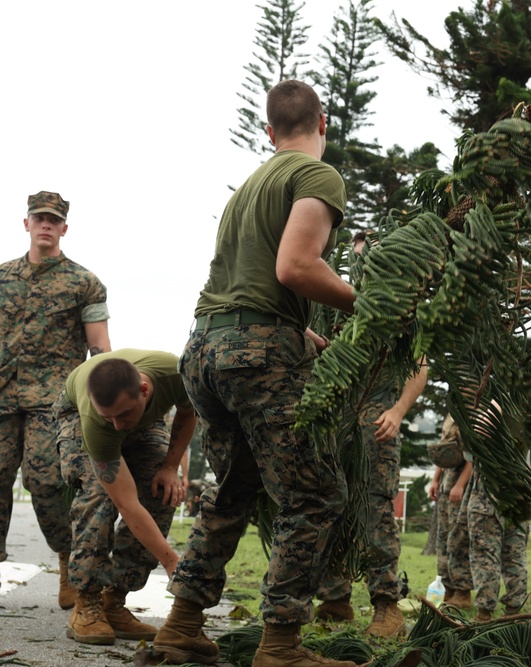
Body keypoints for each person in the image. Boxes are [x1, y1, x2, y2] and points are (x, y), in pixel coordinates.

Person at [153, 79, 359, 667]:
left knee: (235, 489)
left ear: (269, 132)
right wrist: (370, 303)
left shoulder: (250, 185)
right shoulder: (317, 175)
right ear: (323, 124)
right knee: (315, 493)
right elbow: (296, 266)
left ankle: (182, 624)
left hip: (206, 349)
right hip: (257, 354)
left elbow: (250, 282)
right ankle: (281, 644)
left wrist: (298, 331)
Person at [315, 232, 429, 637]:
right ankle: (334, 598)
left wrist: (398, 411)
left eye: (368, 259)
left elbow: (419, 364)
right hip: (334, 425)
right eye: (356, 259)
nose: (360, 267)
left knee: (375, 510)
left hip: (376, 424)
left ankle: (386, 606)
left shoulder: (400, 309)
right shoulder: (331, 301)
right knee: (331, 505)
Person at [0, 190, 110, 608]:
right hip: (2, 395)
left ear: (64, 228)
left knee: (46, 482)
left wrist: (103, 395)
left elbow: (99, 346)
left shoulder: (85, 283)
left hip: (53, 399)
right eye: (38, 218)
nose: (45, 225)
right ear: (26, 224)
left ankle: (69, 563)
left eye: (53, 219)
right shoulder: (2, 276)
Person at [59, 350, 195, 645]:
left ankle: (114, 601)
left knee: (161, 491)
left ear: (144, 391)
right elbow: (127, 504)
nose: (118, 426)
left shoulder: (177, 374)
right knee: (99, 498)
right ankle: (88, 603)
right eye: (112, 418)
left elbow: (188, 412)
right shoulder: (100, 421)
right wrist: (171, 561)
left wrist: (170, 467)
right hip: (77, 416)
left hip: (148, 421)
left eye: (123, 415)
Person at [466, 466, 528, 623]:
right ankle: (514, 613)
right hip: (519, 491)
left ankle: (484, 616)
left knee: (485, 556)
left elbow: (467, 453)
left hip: (488, 495)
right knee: (515, 554)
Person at [427, 416, 474, 610]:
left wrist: (460, 485)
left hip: (461, 487)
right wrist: (435, 480)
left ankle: (462, 592)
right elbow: (444, 450)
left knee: (459, 538)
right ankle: (445, 588)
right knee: (443, 537)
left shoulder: (474, 414)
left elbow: (474, 456)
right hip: (446, 484)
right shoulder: (451, 414)